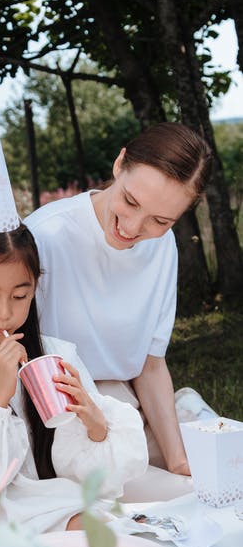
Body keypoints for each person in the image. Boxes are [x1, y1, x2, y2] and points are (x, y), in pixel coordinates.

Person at [0, 133, 148, 534]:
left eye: (20, 295)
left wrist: (93, 421)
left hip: (63, 504)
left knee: (100, 534)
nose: (6, 311)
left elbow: (87, 478)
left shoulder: (59, 355)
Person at [24, 122, 214, 500]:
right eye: (130, 201)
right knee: (183, 497)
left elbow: (150, 364)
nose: (132, 226)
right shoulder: (45, 237)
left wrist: (178, 459)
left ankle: (187, 415)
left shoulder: (163, 248)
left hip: (126, 407)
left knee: (216, 474)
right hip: (60, 418)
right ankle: (189, 413)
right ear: (119, 163)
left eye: (161, 221)